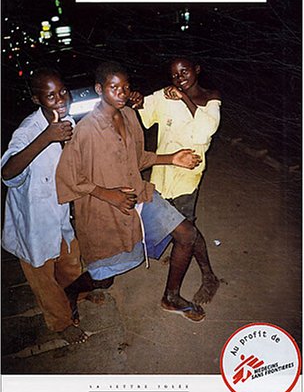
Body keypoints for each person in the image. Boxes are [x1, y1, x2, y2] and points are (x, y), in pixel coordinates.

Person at [56, 61, 207, 324]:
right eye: (114, 88)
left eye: (125, 87)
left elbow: (136, 159)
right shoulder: (87, 130)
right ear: (99, 89)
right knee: (104, 278)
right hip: (103, 209)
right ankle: (71, 291)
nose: (122, 93)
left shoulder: (127, 115)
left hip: (138, 195)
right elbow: (68, 177)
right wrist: (108, 194)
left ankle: (171, 297)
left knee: (186, 234)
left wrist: (172, 158)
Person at [1, 68, 88, 344]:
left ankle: (72, 298)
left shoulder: (67, 121)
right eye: (50, 96)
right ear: (36, 99)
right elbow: (7, 172)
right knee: (43, 279)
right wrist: (45, 138)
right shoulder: (29, 130)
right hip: (33, 224)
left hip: (59, 215)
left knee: (72, 263)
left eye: (62, 91)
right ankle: (61, 323)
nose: (60, 99)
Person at [130, 57, 221, 305]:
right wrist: (137, 101)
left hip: (187, 176)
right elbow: (145, 112)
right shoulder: (165, 95)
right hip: (163, 171)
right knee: (179, 223)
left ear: (197, 70)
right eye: (174, 75)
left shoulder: (210, 97)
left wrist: (185, 99)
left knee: (187, 228)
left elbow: (205, 130)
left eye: (184, 71)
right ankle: (182, 249)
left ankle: (208, 276)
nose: (179, 78)